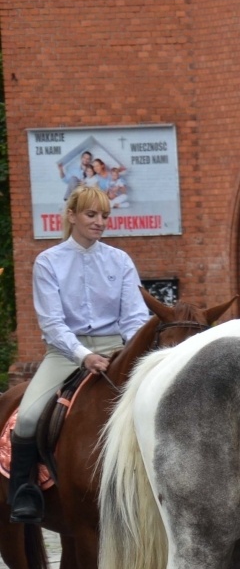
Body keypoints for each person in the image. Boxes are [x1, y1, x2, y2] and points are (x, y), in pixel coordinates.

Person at [8, 184, 148, 522]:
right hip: (66, 352)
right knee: (27, 417)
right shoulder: (48, 262)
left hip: (117, 347)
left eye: (104, 216)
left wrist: (130, 354)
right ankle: (22, 493)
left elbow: (135, 317)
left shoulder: (120, 260)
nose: (100, 222)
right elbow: (53, 323)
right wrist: (84, 355)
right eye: (91, 214)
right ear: (72, 216)